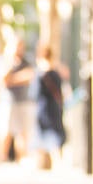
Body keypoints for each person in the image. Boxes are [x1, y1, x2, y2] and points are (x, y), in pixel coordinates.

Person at [33, 41, 67, 169]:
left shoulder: (40, 74)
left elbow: (34, 93)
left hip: (43, 109)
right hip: (55, 109)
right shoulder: (56, 72)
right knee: (53, 138)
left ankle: (43, 166)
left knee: (44, 137)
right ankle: (56, 165)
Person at [1, 38, 35, 163]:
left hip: (23, 101)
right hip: (8, 101)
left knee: (22, 132)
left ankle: (21, 158)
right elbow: (3, 80)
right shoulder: (6, 61)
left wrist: (12, 80)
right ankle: (2, 157)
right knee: (6, 131)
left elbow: (29, 76)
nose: (20, 50)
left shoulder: (26, 62)